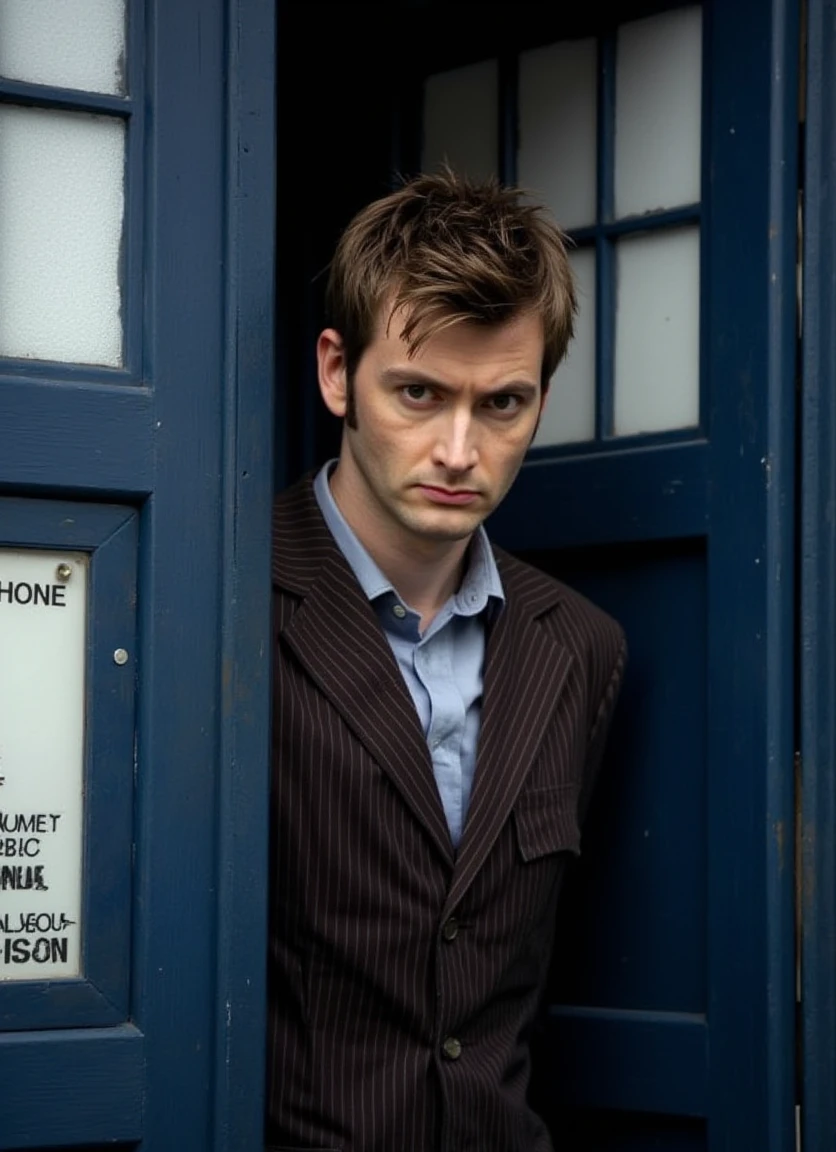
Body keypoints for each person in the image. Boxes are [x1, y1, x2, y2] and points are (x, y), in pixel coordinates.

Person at [267, 168, 627, 1152]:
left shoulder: (581, 649)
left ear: (541, 400)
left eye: (501, 404)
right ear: (337, 373)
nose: (459, 450)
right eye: (418, 393)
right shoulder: (218, 604)